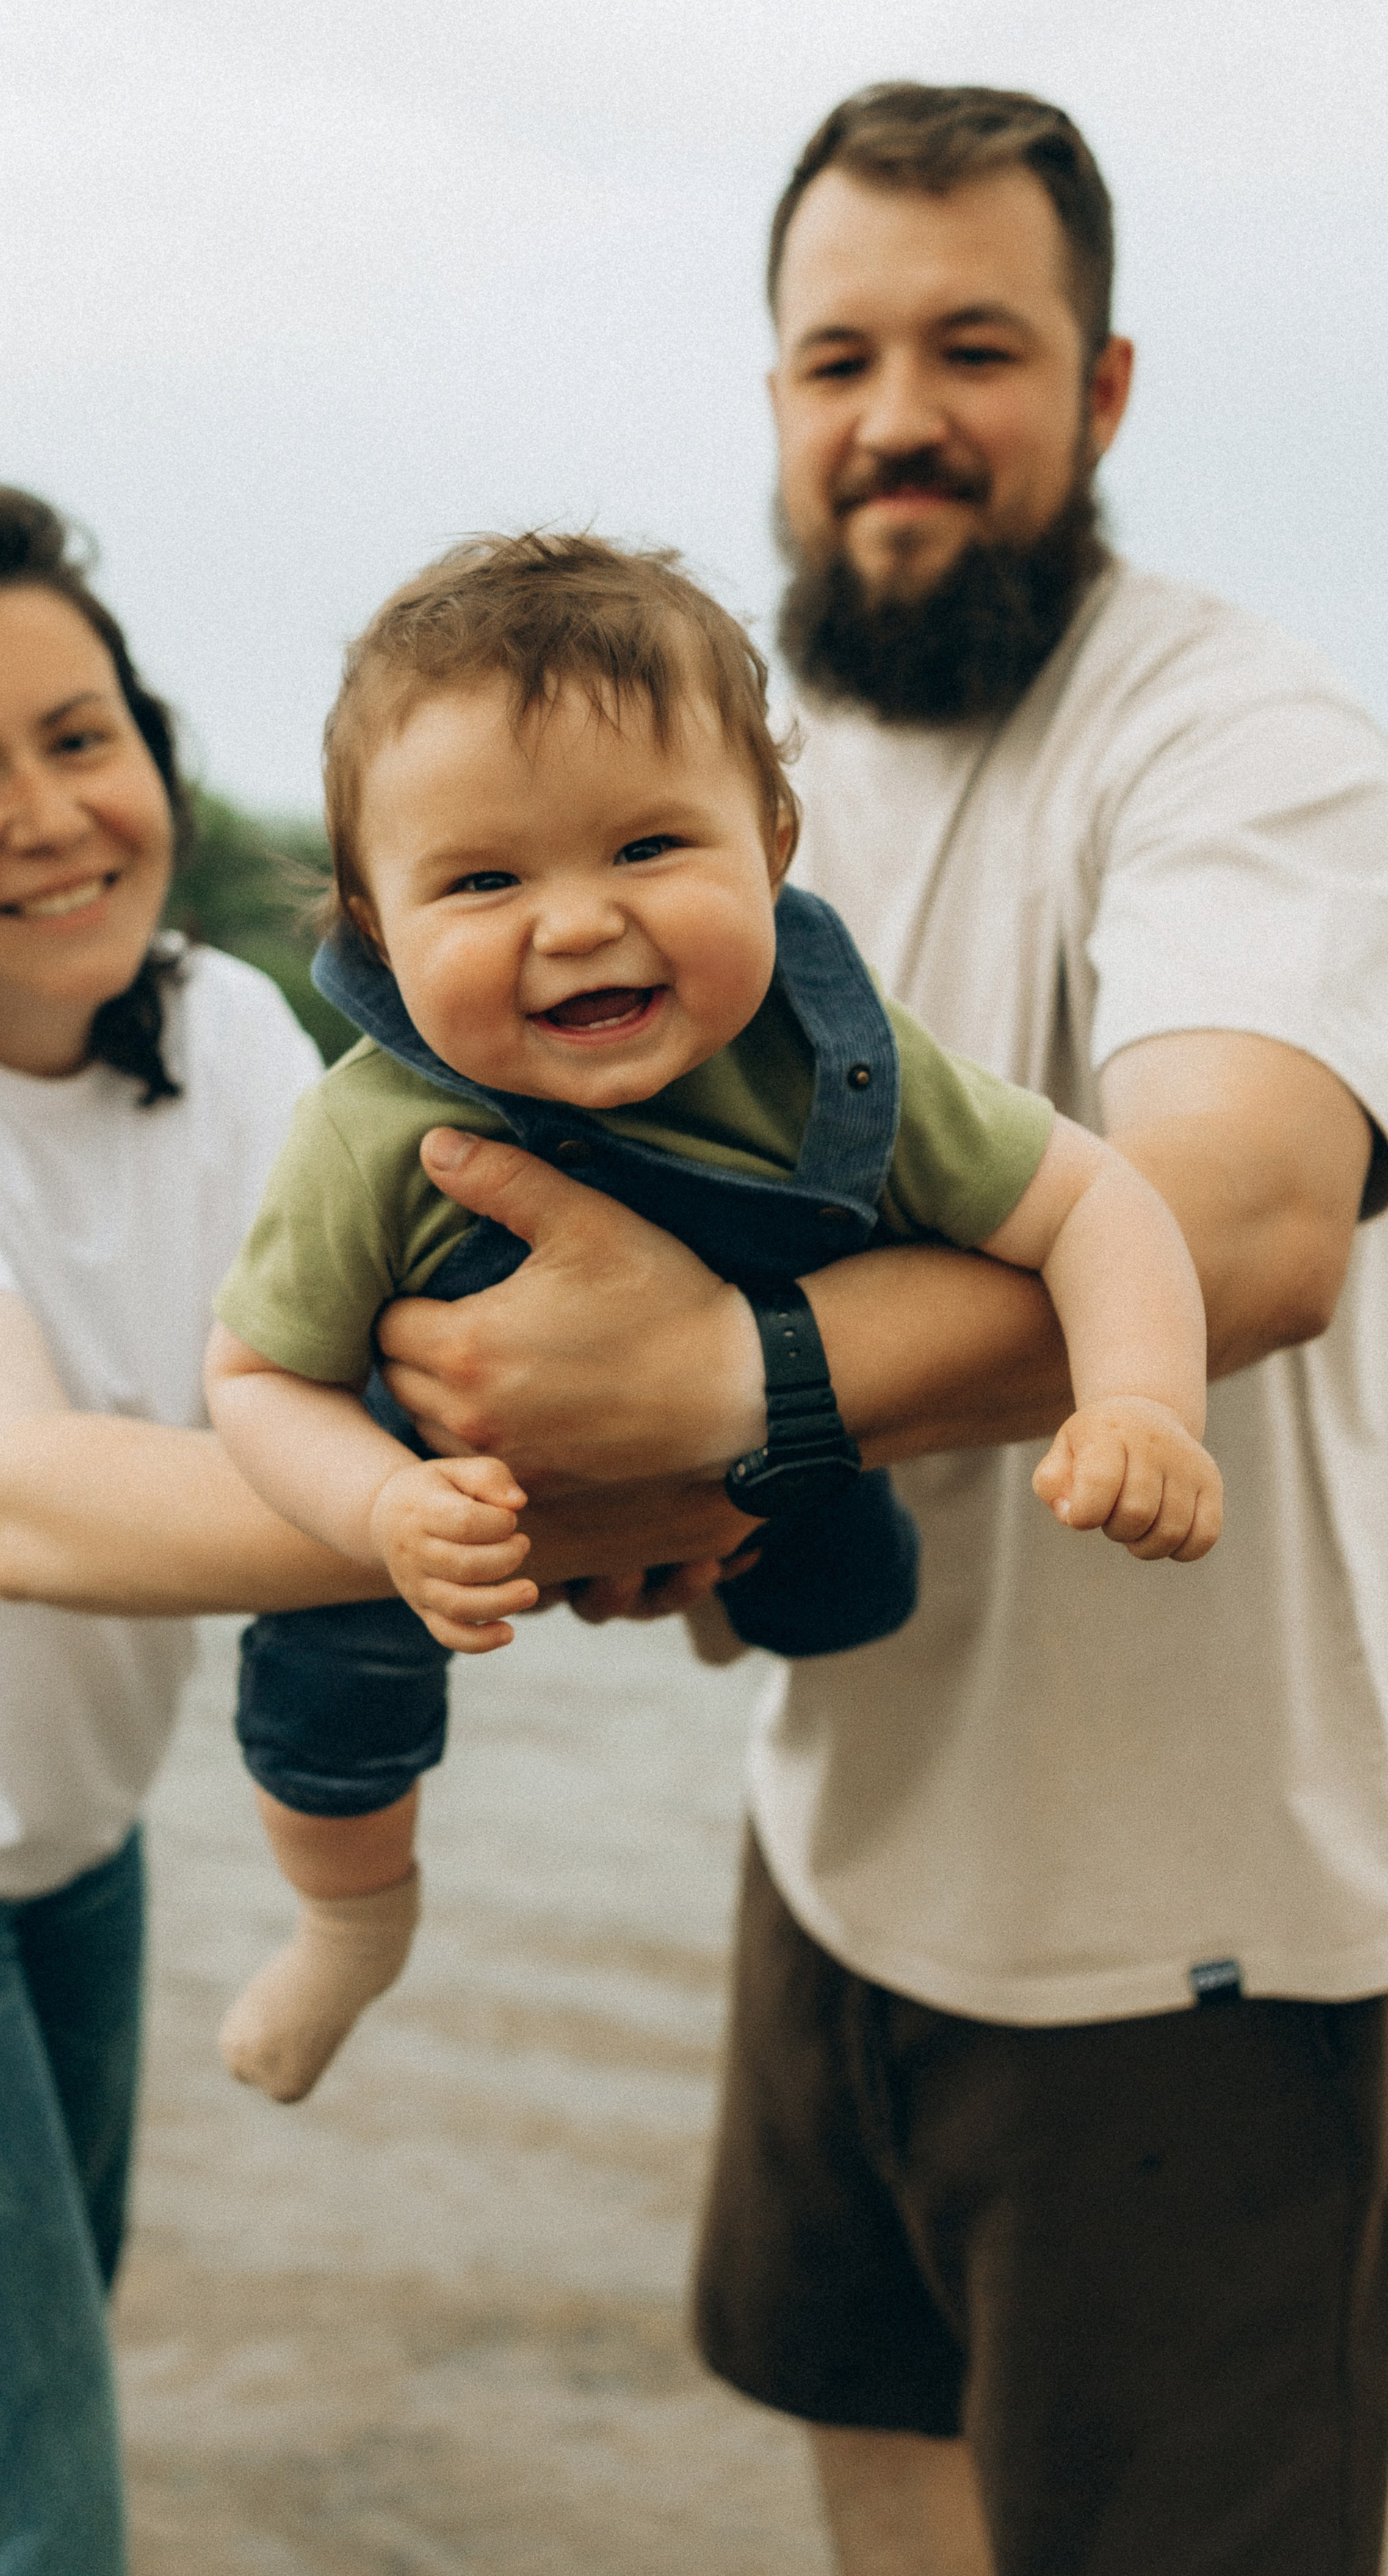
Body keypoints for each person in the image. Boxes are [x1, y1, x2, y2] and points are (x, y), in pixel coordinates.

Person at [355, 88, 1388, 2576]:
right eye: (840, 355)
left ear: (1107, 391)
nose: (900, 413)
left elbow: (1247, 1225)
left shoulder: (1240, 742)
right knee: (880, 2511)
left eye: (978, 348)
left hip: (1195, 1943)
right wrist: (637, 1499)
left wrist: (728, 1398)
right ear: (776, 400)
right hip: (839, 1853)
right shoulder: (746, 790)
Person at [0, 482, 739, 2576]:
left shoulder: (216, 1028)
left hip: (53, 1842)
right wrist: (473, 1518)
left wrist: (674, 1480)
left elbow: (388, 1352)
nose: (50, 813)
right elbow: (4, 1496)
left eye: (78, 736)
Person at [203, 529, 1221, 2108]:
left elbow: (1094, 1202)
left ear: (772, 839)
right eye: (481, 880)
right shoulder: (368, 1133)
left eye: (646, 848)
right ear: (372, 924)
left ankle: (711, 1591)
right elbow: (253, 1375)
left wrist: (1142, 1400)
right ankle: (352, 1925)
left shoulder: (840, 1062)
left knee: (848, 1600)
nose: (574, 922)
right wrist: (382, 1503)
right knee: (329, 1679)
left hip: (757, 1447)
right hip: (451, 1496)